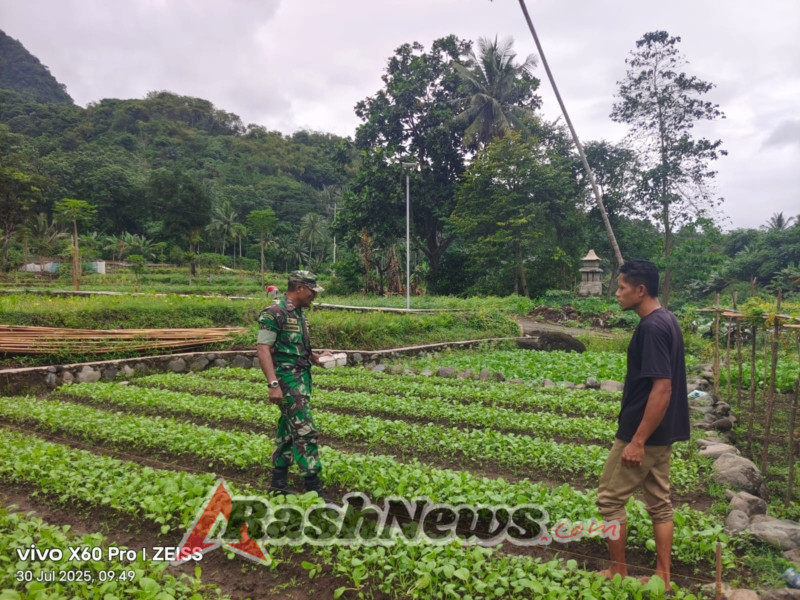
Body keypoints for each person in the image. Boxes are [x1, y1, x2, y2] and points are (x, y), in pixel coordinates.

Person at [596, 260, 689, 588]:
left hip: (644, 434)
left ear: (641, 290)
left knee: (609, 500)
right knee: (659, 502)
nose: (617, 293)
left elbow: (662, 388)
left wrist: (637, 441)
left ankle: (618, 571)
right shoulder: (668, 320)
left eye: (622, 288)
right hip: (663, 434)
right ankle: (663, 576)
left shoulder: (651, 327)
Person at [257, 270, 332, 497]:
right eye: (312, 291)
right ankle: (313, 486)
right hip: (286, 380)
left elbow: (297, 346)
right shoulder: (274, 313)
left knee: (288, 430)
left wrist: (315, 357)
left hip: (302, 378)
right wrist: (273, 384)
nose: (314, 296)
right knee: (305, 430)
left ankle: (278, 482)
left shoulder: (299, 314)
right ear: (299, 288)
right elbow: (263, 349)